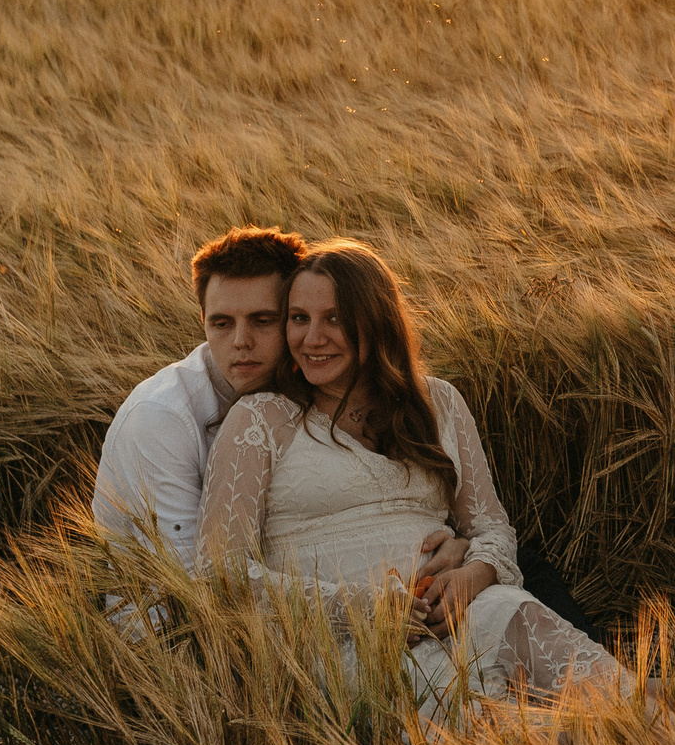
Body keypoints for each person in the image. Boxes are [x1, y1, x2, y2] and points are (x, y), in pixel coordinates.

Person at [199, 238, 630, 722]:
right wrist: (365, 610)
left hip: (470, 611)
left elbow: (492, 527)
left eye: (335, 318)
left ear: (377, 321)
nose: (312, 338)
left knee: (609, 689)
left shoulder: (438, 402)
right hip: (352, 645)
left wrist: (476, 574)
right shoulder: (259, 420)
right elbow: (223, 573)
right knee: (528, 735)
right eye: (299, 318)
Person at [93, 226, 469, 586]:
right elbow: (199, 583)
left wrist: (460, 549)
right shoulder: (161, 419)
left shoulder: (309, 389)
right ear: (202, 321)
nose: (241, 341)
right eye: (221, 324)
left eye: (263, 321)